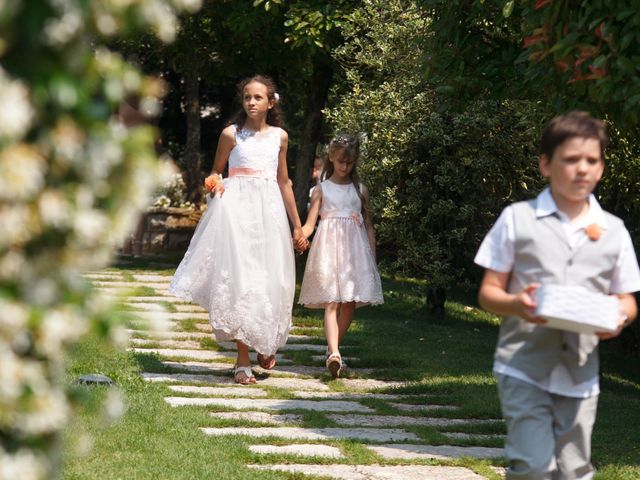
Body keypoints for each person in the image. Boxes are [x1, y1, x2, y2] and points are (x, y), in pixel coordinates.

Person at [475, 111, 640, 479]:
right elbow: (488, 293)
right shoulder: (517, 219)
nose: (582, 168)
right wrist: (517, 304)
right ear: (545, 165)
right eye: (570, 159)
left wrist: (618, 318)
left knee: (574, 471)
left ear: (600, 168)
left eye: (591, 160)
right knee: (532, 466)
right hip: (522, 366)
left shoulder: (614, 231)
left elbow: (627, 300)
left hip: (580, 375)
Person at [169, 75, 307, 385]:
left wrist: (297, 226)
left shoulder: (280, 137)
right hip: (238, 215)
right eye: (247, 97)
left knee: (272, 280)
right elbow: (216, 172)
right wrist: (215, 184)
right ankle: (242, 360)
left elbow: (283, 182)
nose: (252, 102)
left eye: (258, 97)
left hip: (269, 215)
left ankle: (265, 341)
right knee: (242, 282)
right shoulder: (231, 135)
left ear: (270, 102)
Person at [298, 134, 383, 377]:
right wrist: (299, 235)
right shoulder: (321, 190)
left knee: (349, 302)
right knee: (332, 300)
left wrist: (372, 259)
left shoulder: (360, 191)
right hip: (328, 249)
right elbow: (310, 224)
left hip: (355, 253)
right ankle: (335, 353)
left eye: (350, 163)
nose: (345, 167)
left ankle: (332, 348)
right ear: (331, 159)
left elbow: (368, 226)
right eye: (341, 162)